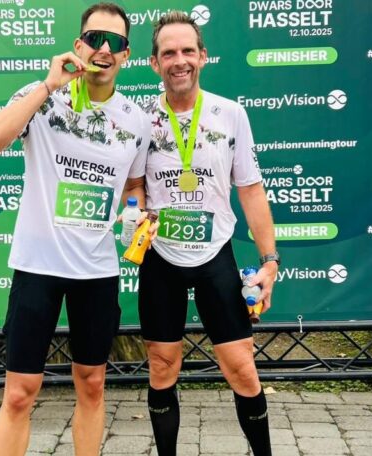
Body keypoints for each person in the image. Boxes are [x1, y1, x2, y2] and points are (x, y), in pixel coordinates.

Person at [0, 3, 149, 455]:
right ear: (78, 45)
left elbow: (133, 186)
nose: (104, 49)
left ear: (126, 54)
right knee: (20, 392)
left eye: (115, 42)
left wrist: (135, 213)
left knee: (92, 384)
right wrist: (48, 85)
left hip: (96, 270)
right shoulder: (42, 96)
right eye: (94, 39)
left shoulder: (136, 119)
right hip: (38, 266)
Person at [138, 11, 278, 456]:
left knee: (241, 368)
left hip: (215, 254)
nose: (178, 60)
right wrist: (134, 214)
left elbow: (250, 189)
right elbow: (132, 186)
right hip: (161, 257)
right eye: (168, 53)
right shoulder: (140, 118)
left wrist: (270, 260)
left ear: (203, 56)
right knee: (162, 366)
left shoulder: (230, 114)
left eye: (187, 51)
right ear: (154, 63)